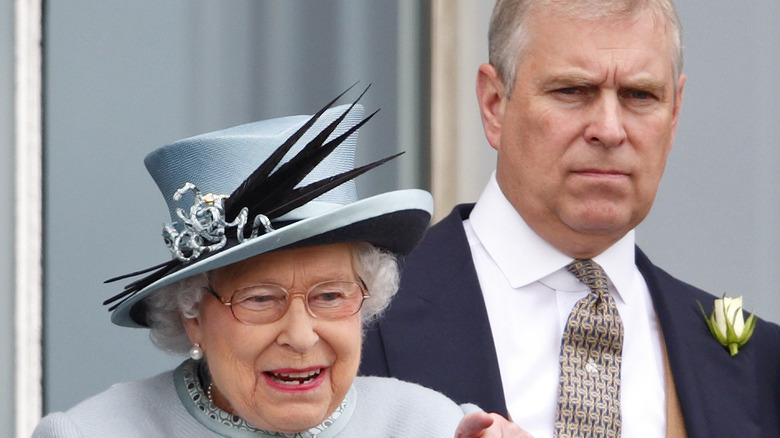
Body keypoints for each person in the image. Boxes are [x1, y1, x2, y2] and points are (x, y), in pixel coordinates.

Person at [361, 1, 780, 437]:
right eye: (572, 91)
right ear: (492, 105)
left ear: (673, 116)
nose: (610, 129)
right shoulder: (355, 320)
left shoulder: (757, 366)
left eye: (640, 95)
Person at [33, 92, 527, 437]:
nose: (300, 335)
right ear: (192, 315)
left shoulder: (433, 427)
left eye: (330, 296)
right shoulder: (91, 433)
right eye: (260, 299)